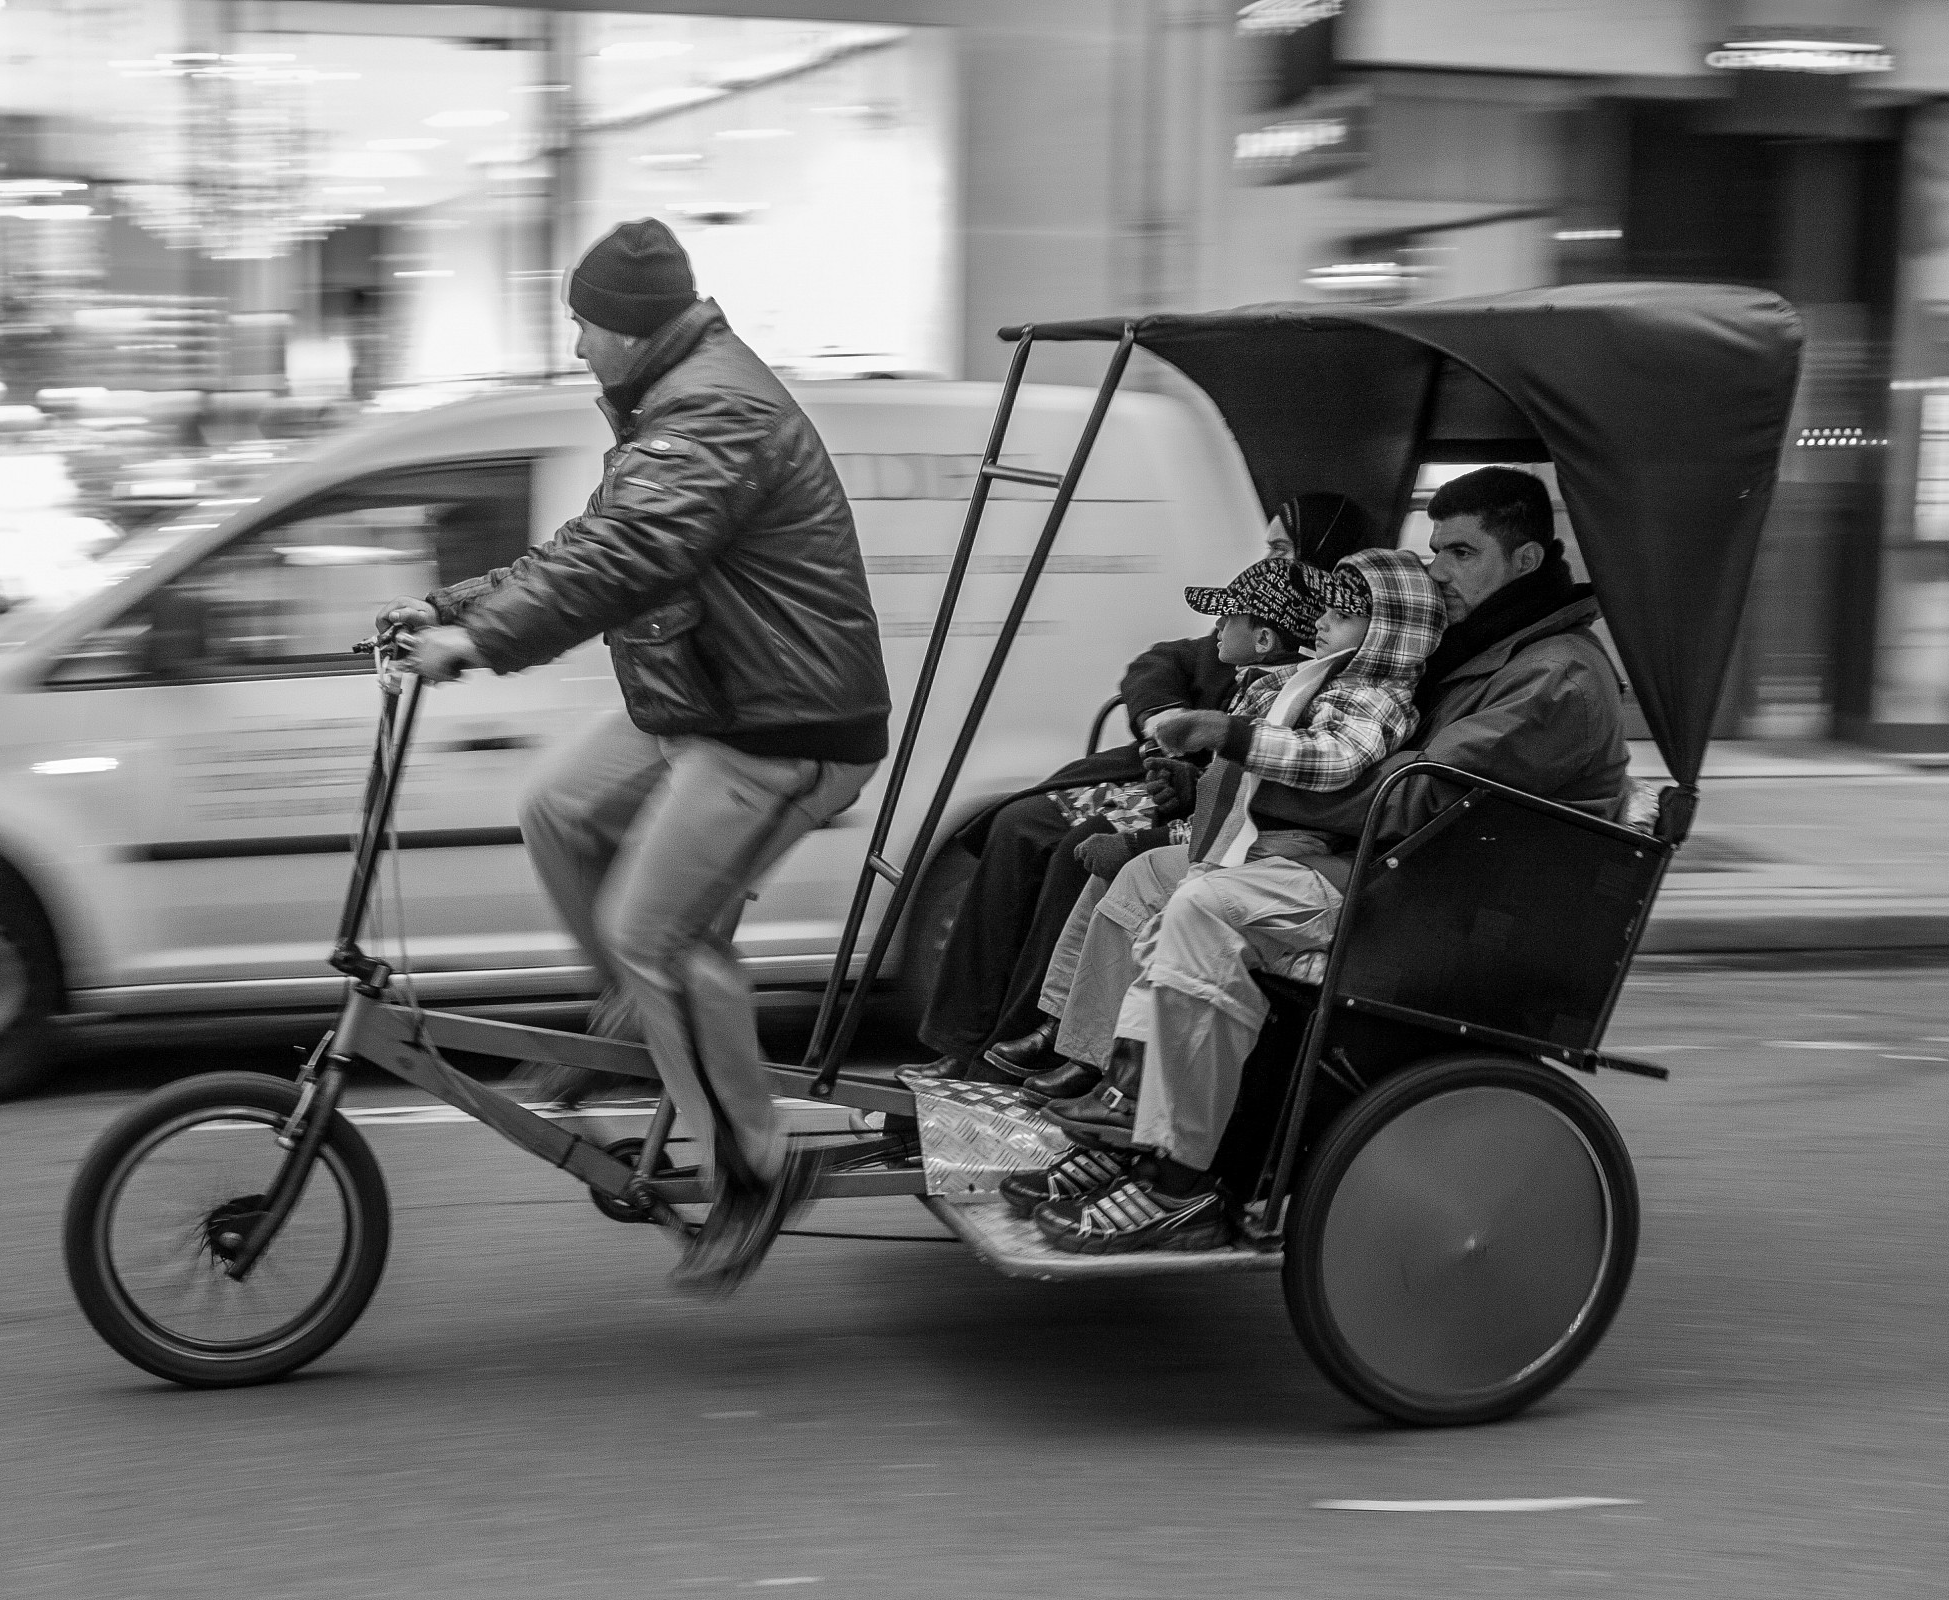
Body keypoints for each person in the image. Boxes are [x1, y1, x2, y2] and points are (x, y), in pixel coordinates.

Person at [386, 218, 890, 1296]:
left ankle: (757, 1166)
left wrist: (477, 643)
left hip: (782, 724)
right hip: (715, 699)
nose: (574, 346)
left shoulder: (715, 408)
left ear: (629, 329)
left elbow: (629, 554)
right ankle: (635, 1011)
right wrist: (450, 605)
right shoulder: (673, 400)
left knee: (654, 928)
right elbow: (591, 539)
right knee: (560, 811)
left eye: (582, 324)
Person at [1012, 466, 1631, 1254]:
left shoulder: (1553, 677)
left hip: (1457, 908)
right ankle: (1128, 1118)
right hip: (1396, 870)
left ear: (1526, 561)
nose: (1439, 569)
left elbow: (1416, 797)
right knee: (1150, 879)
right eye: (1436, 549)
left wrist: (1261, 788)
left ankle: (1179, 1181)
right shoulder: (1488, 650)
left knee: (1207, 909)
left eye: (1463, 552)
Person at [909, 496, 1372, 1084]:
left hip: (1207, 801)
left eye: (1282, 548)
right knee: (1019, 822)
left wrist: (1199, 761)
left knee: (1085, 845)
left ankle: (1028, 1038)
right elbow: (1161, 662)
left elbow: (1296, 764)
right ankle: (961, 1038)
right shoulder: (1254, 631)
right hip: (1167, 779)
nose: (1272, 557)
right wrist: (1164, 719)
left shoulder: (1311, 646)